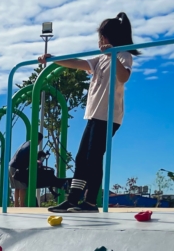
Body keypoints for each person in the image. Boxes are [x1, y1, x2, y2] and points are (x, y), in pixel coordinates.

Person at [46, 12, 138, 213]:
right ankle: (72, 199)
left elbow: (123, 77)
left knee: (93, 158)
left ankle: (90, 202)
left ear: (110, 38)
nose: (100, 41)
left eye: (102, 37)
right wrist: (54, 59)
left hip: (108, 116)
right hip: (94, 115)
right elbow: (77, 63)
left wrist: (112, 54)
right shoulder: (99, 59)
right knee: (81, 158)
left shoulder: (123, 55)